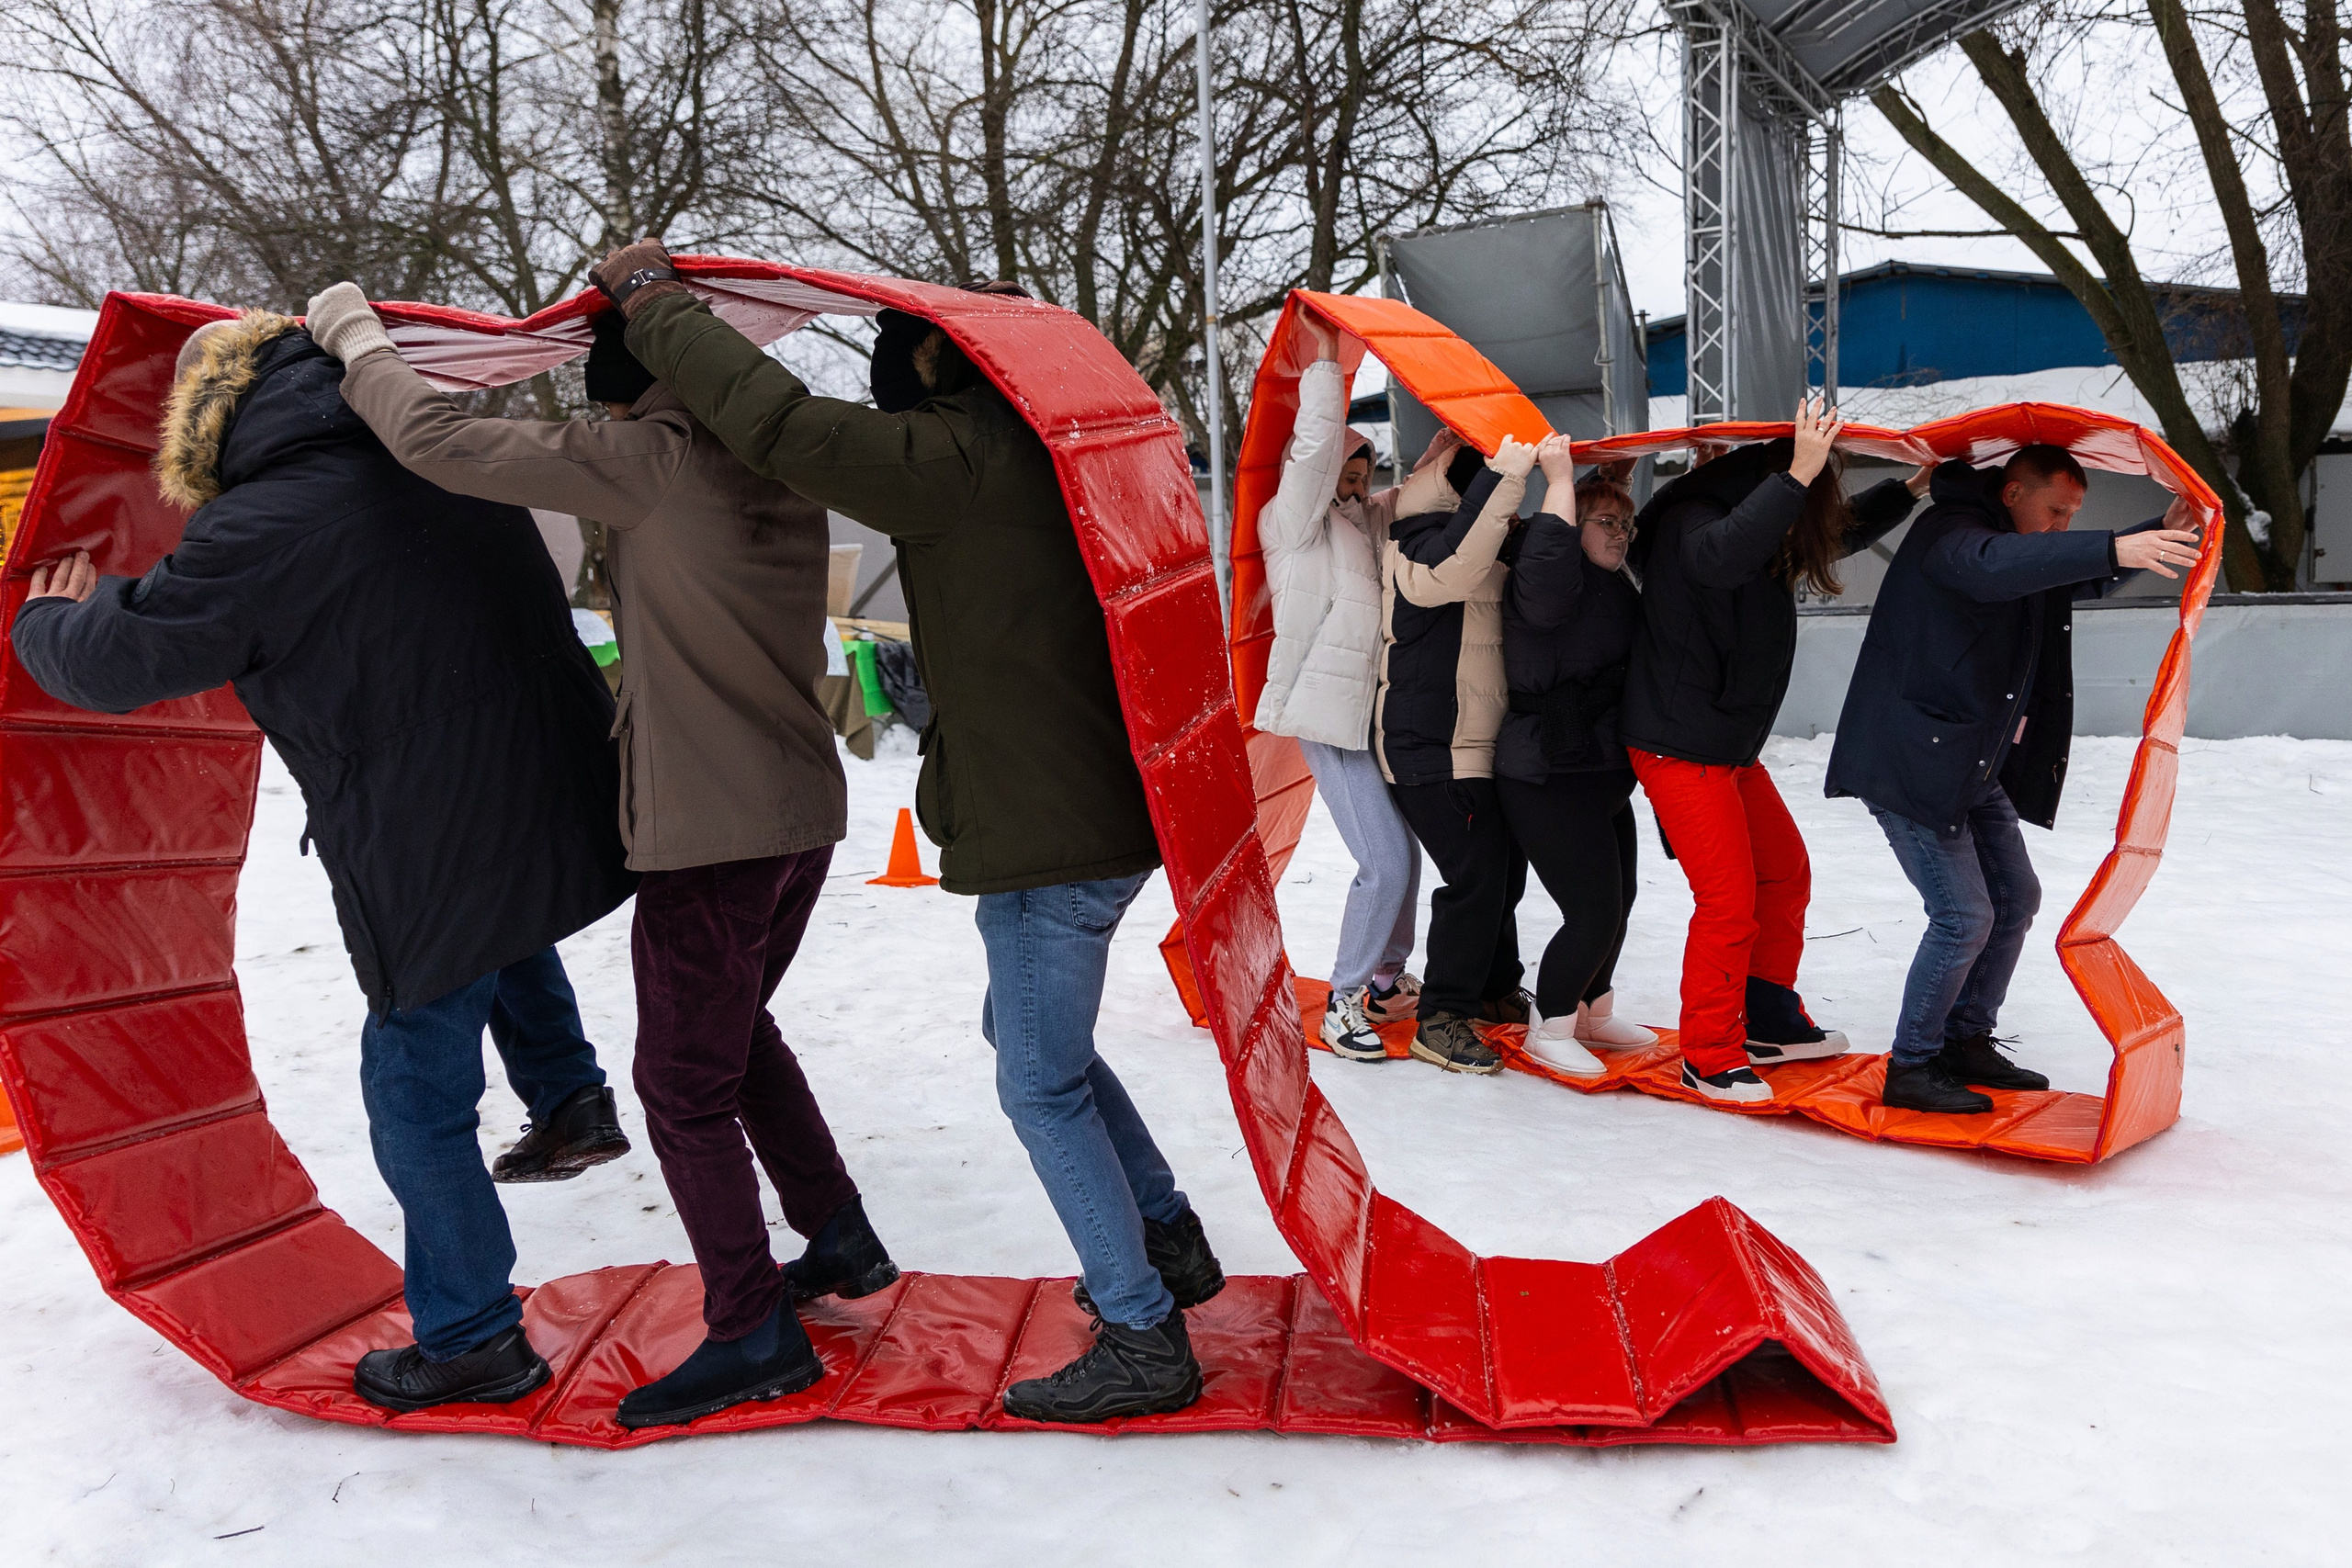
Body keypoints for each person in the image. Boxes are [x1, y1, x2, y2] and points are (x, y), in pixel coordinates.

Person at [587, 238, 1224, 1425]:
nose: (886, 363)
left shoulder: (965, 455)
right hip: (1088, 808)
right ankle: (1170, 1237)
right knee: (1031, 1033)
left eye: (899, 343)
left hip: (1057, 826)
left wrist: (655, 305)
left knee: (1037, 1082)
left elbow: (782, 426)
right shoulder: (1034, 452)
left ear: (950, 359)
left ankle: (1143, 1327)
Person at [11, 310, 637, 1412]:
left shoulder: (262, 524)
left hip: (422, 825)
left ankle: (472, 1336)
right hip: (548, 785)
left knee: (412, 1090)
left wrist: (51, 623)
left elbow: (125, 662)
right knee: (498, 913)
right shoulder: (441, 462)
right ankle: (570, 1092)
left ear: (207, 425)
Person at [302, 284, 900, 1428]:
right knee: (737, 1041)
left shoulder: (651, 456)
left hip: (714, 832)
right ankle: (837, 1236)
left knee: (679, 1090)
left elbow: (433, 438)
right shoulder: (762, 450)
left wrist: (355, 339)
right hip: (795, 811)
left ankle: (752, 1331)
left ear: (626, 385)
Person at [1825, 445, 2199, 1112]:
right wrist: (2112, 547)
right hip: (1911, 757)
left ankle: (1965, 1039)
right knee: (1963, 914)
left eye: (2074, 515)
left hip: (1967, 758)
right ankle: (1912, 1065)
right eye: (2055, 510)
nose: (2062, 525)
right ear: (2012, 492)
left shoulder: (2017, 545)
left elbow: (2062, 574)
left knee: (2015, 897)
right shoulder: (1952, 534)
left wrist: (2152, 532)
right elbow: (1995, 567)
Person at [1620, 398, 1928, 1105]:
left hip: (1724, 743)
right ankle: (1709, 1052)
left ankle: (1765, 1016)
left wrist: (1910, 489)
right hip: (1679, 745)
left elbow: (1834, 534)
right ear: (1774, 481)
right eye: (1807, 490)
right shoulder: (1693, 522)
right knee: (1728, 902)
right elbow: (1721, 555)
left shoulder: (1763, 524)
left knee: (1783, 872)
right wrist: (1799, 473)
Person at [1254, 319, 1424, 1062]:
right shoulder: (1293, 525)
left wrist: (1457, 444)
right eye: (1344, 473)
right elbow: (1314, 455)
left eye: (1364, 472)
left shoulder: (1364, 524)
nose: (1353, 484)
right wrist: (1328, 368)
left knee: (1405, 853)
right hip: (1327, 714)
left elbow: (1413, 494)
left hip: (1371, 713)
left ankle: (1385, 980)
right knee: (1383, 860)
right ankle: (1346, 999)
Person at [1374, 428, 1541, 1074]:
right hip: (1427, 748)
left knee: (1506, 873)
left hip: (1476, 747)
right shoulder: (1414, 543)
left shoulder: (1485, 536)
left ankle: (1496, 989)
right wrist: (1504, 483)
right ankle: (1442, 1015)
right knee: (1476, 875)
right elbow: (1457, 566)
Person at [1496, 440, 1657, 1076]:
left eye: (1627, 523)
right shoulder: (1550, 575)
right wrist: (1564, 481)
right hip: (1546, 770)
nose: (1621, 533)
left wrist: (1603, 483)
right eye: (1607, 522)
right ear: (1572, 528)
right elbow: (1549, 550)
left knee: (1622, 896)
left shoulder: (1610, 579)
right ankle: (1553, 1023)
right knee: (1591, 907)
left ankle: (1592, 1007)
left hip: (1598, 768)